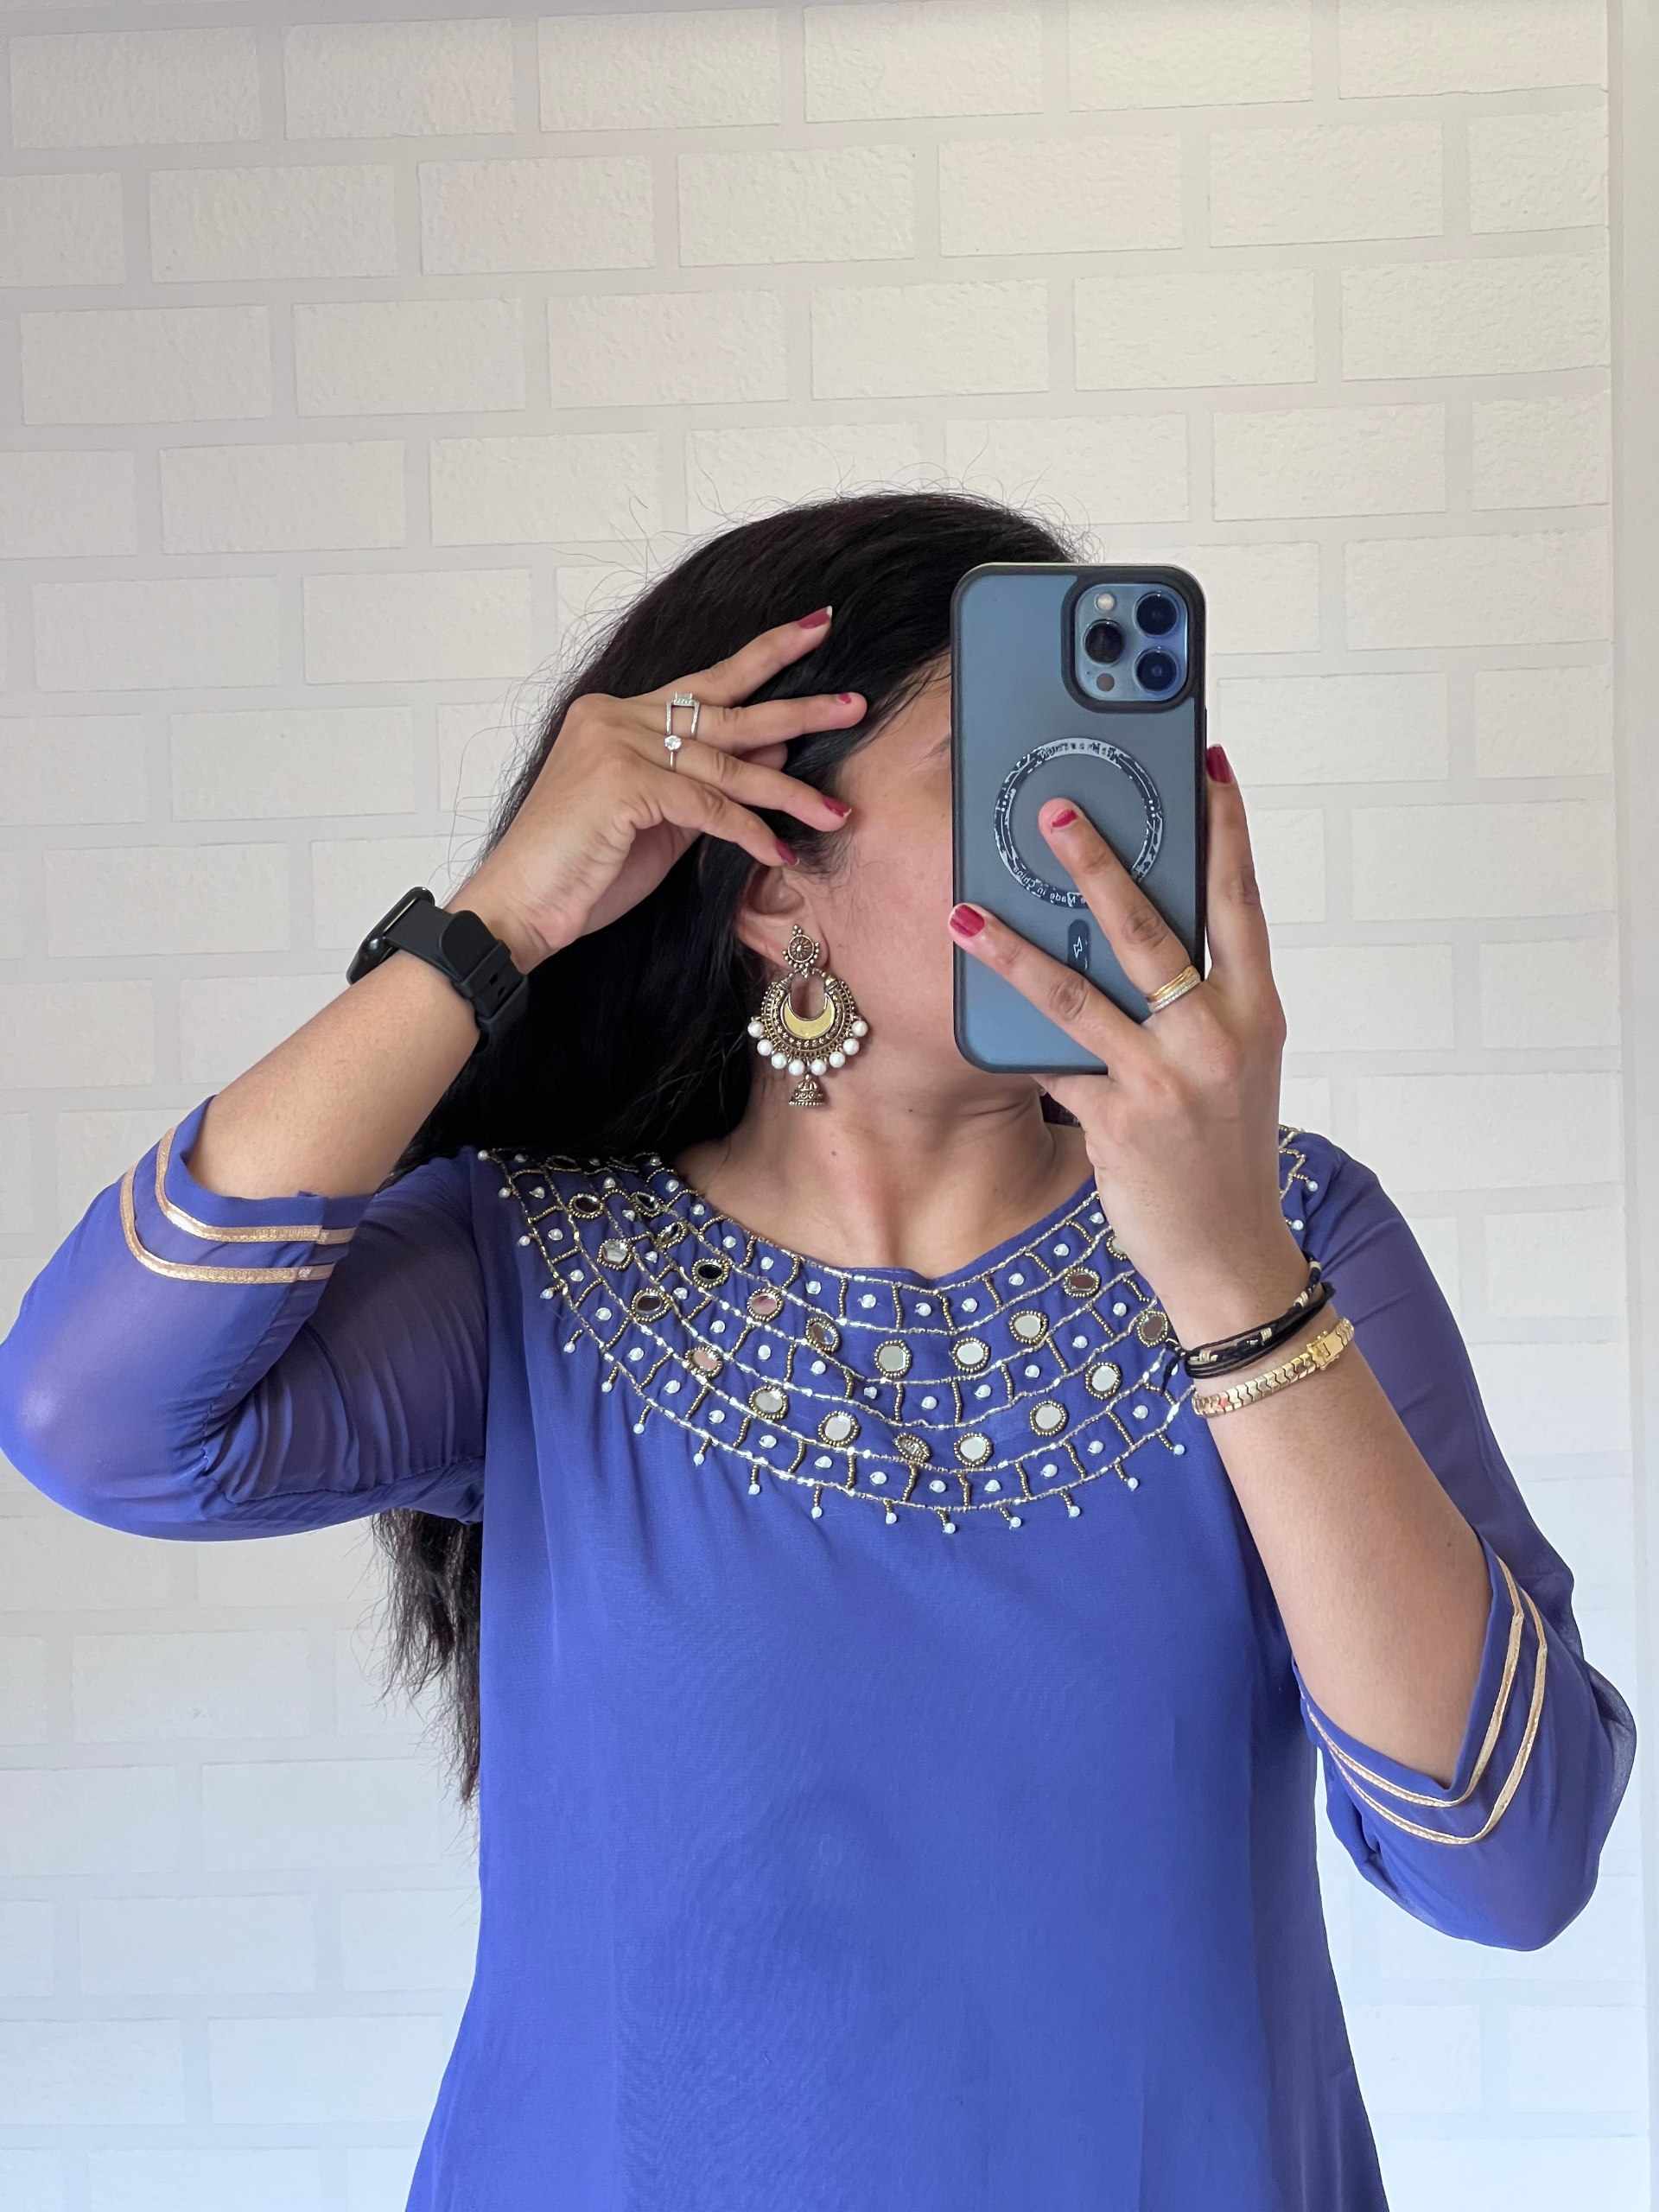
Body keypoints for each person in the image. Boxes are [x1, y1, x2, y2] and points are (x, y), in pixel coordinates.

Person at [0, 489, 1636, 2210]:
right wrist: (494, 926)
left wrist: (1228, 1265)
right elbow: (92, 1414)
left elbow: (1512, 1862)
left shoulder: (1296, 1236)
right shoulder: (530, 1271)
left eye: (1116, 768)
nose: (1092, 831)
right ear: (774, 877)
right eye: (1007, 774)